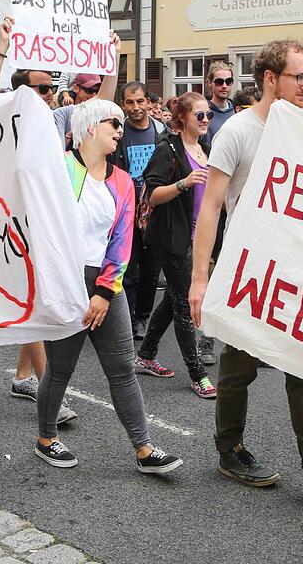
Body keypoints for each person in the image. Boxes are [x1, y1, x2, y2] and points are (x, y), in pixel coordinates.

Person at [188, 38, 303, 505]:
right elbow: (210, 208)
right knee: (237, 369)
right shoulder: (237, 132)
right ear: (271, 79)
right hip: (248, 272)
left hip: (297, 273)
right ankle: (229, 448)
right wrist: (199, 279)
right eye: (300, 77)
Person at [34, 96, 183, 475]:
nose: (120, 131)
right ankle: (46, 438)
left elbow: (121, 240)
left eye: (120, 124)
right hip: (65, 283)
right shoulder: (57, 169)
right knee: (60, 369)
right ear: (88, 129)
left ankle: (145, 448)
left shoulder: (122, 182)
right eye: (112, 124)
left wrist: (104, 290)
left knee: (122, 370)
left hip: (106, 284)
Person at [0, 19, 80, 425]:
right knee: (35, 300)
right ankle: (44, 384)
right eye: (43, 89)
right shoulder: (7, 115)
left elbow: (101, 108)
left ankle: (23, 376)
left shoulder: (56, 120)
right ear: (23, 91)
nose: (51, 95)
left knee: (34, 297)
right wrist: (1, 49)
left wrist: (107, 63)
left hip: (47, 221)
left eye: (53, 88)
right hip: (13, 222)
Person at [135, 92, 216, 398]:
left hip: (200, 237)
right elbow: (152, 195)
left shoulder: (207, 148)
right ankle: (198, 374)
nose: (206, 120)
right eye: (200, 115)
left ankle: (145, 354)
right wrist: (184, 182)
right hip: (173, 238)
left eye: (208, 114)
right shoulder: (167, 149)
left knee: (173, 298)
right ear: (183, 118)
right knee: (184, 304)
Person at [114, 81, 166, 338]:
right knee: (129, 269)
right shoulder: (117, 132)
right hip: (126, 211)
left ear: (148, 102)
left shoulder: (161, 132)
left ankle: (142, 318)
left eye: (140, 101)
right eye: (129, 102)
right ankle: (126, 317)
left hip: (155, 211)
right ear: (123, 104)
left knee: (151, 269)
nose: (135, 108)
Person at [205, 61, 236, 143]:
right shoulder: (203, 114)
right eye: (219, 82)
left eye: (228, 81)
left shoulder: (237, 111)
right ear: (209, 83)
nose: (224, 86)